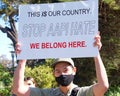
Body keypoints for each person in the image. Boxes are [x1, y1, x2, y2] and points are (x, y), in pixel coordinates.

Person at [12, 33, 109, 96]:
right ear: (53, 73)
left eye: (66, 70)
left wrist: (96, 54)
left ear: (74, 70)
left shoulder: (83, 92)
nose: (62, 74)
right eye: (57, 71)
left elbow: (103, 86)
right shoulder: (48, 94)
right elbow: (18, 89)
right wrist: (22, 60)